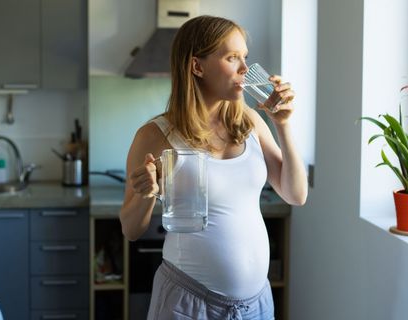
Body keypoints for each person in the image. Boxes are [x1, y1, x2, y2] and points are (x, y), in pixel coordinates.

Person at [120, 15, 308, 320]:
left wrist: (283, 126)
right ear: (197, 66)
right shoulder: (155, 134)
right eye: (232, 58)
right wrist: (147, 193)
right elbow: (131, 229)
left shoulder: (251, 122)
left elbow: (296, 195)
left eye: (244, 57)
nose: (245, 69)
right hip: (187, 303)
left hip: (256, 304)